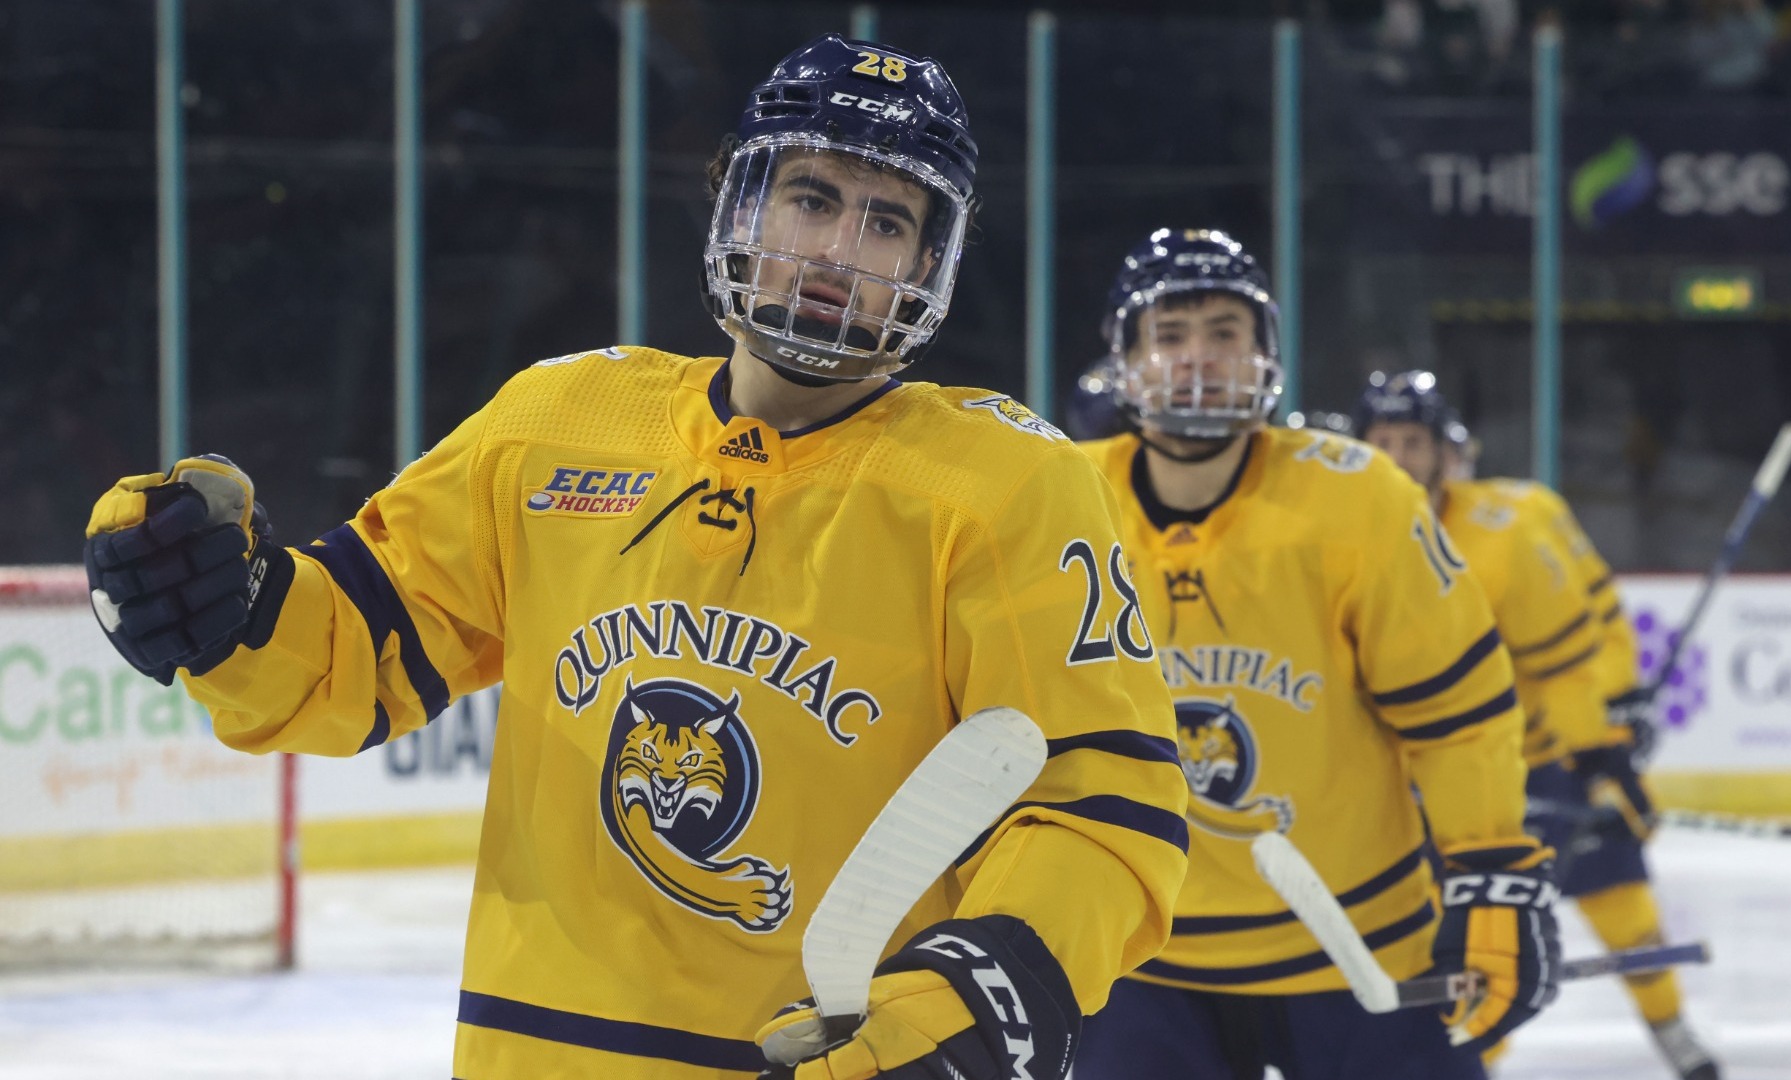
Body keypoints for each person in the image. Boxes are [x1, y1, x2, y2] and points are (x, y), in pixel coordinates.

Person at [81, 35, 1189, 1080]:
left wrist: (984, 989)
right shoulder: (557, 423)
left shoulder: (1007, 488)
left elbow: (1108, 812)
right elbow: (350, 654)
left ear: (933, 258)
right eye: (811, 198)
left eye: (887, 222)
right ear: (737, 201)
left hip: (823, 1058)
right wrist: (232, 613)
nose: (840, 254)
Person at [1070, 229, 1558, 1080]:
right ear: (1125, 357)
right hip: (1140, 952)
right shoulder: (1061, 501)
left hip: (1357, 944)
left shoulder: (1358, 496)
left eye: (1226, 332)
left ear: (1266, 354)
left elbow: (1459, 716)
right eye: (1170, 334)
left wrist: (1490, 871)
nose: (1197, 360)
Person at [1437, 408, 1722, 1080]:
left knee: (1623, 902)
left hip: (1556, 757)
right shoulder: (1379, 532)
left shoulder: (1521, 516)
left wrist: (1612, 720)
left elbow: (1596, 621)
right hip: (1469, 773)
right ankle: (1475, 1061)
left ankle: (1670, 1025)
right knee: (1482, 941)